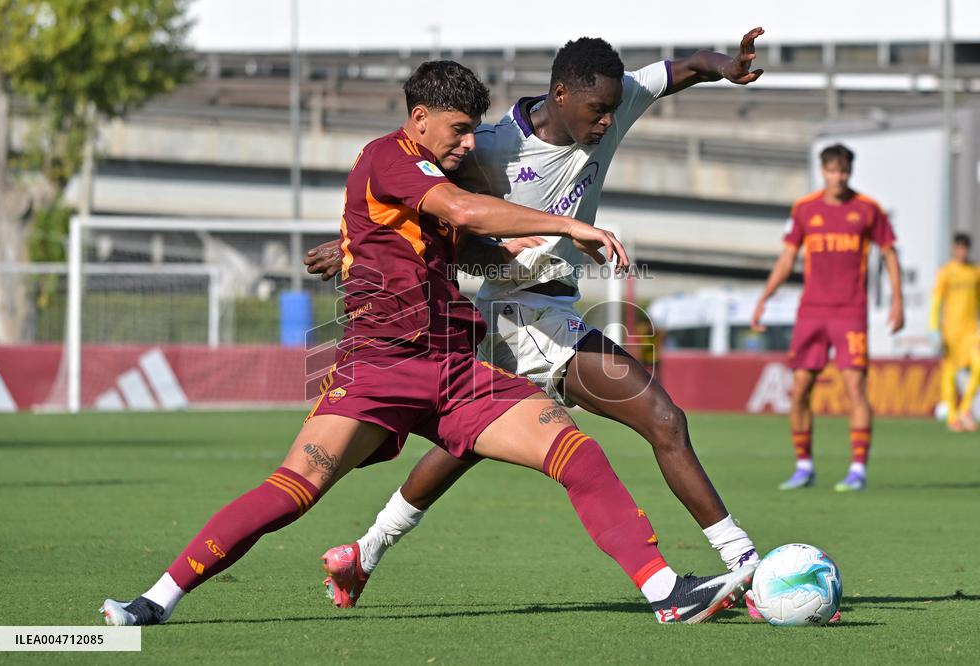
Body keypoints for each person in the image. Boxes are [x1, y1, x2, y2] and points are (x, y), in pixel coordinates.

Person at [100, 60, 754, 627]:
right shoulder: (389, 155)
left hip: (453, 367)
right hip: (377, 368)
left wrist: (502, 248)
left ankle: (668, 593)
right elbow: (462, 212)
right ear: (418, 118)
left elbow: (454, 234)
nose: (469, 142)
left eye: (474, 128)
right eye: (458, 128)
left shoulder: (439, 173)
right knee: (292, 490)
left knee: (575, 453)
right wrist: (561, 226)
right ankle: (156, 600)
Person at [306, 31, 765, 610]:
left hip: (546, 310)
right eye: (596, 112)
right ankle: (746, 567)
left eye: (611, 110)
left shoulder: (615, 98)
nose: (605, 123)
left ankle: (363, 553)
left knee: (463, 445)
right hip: (518, 314)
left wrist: (727, 65)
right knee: (663, 418)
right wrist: (349, 241)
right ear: (560, 94)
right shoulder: (491, 149)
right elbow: (437, 216)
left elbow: (686, 67)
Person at [751, 143, 905, 493]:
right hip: (812, 311)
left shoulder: (868, 209)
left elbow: (890, 255)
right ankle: (804, 466)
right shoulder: (806, 209)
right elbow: (788, 257)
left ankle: (857, 469)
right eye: (833, 171)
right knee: (801, 387)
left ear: (850, 172)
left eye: (845, 171)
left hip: (850, 312)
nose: (839, 177)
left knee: (855, 387)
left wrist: (898, 302)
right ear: (823, 171)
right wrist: (764, 298)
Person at [929, 233, 980, 432]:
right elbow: (936, 302)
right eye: (958, 247)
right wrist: (933, 328)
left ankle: (965, 408)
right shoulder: (946, 272)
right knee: (949, 372)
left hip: (971, 332)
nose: (962, 252)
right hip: (950, 331)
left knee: (978, 366)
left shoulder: (975, 272)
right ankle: (953, 416)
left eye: (965, 248)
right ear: (953, 249)